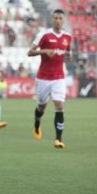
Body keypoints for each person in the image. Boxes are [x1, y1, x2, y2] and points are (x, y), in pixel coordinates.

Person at [27, 9, 72, 148]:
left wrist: (69, 55)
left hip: (59, 78)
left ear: (63, 20)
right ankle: (37, 124)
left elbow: (68, 50)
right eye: (55, 18)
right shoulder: (44, 35)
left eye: (60, 18)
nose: (58, 20)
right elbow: (30, 52)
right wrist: (44, 51)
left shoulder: (67, 37)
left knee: (59, 106)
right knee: (41, 106)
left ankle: (58, 139)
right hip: (43, 78)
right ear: (52, 19)